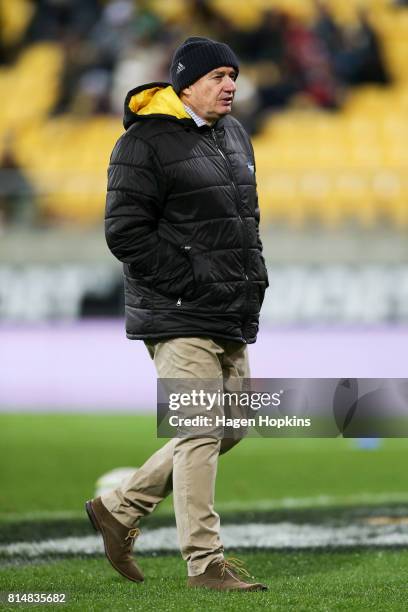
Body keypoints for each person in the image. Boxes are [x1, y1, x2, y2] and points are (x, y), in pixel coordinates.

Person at [86, 36, 269, 591]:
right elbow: (125, 232)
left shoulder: (233, 133)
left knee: (232, 424)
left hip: (227, 309)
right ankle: (204, 562)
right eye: (216, 76)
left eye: (232, 75)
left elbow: (244, 221)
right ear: (184, 82)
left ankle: (121, 507)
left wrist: (244, 283)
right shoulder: (144, 143)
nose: (229, 84)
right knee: (199, 427)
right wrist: (189, 283)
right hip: (179, 309)